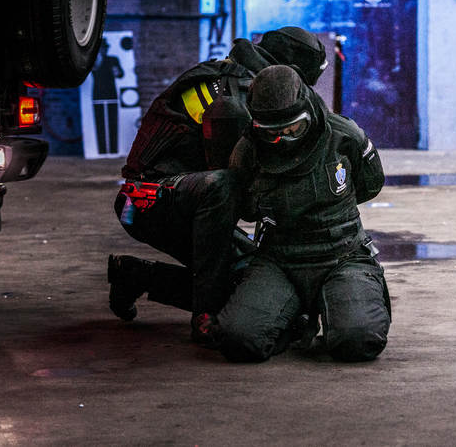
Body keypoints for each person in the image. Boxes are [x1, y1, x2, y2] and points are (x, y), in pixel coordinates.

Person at [109, 26, 328, 343]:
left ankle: (136, 275)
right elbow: (242, 188)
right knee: (223, 188)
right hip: (145, 203)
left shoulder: (235, 76)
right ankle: (206, 316)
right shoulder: (235, 97)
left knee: (258, 283)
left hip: (188, 203)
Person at [214, 65, 389, 362]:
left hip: (343, 255)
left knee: (357, 341)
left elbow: (369, 185)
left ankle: (343, 303)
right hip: (279, 259)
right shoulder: (248, 150)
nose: (283, 139)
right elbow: (245, 208)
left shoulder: (343, 135)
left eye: (293, 128)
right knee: (238, 340)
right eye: (272, 133)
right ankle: (294, 319)